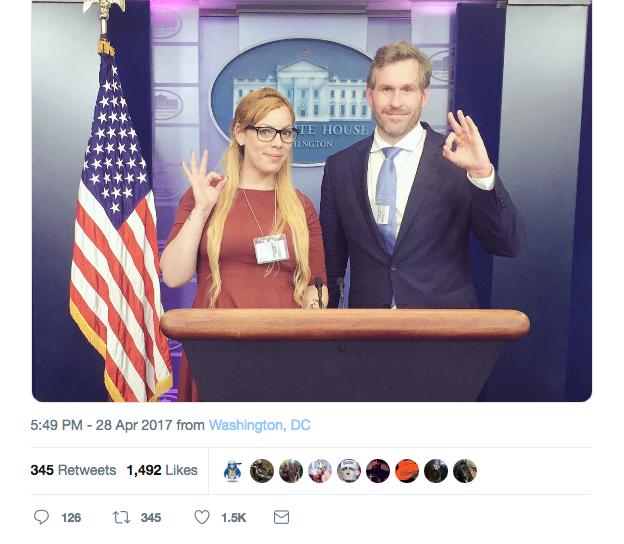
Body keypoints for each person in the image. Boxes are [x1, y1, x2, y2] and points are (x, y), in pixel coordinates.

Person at [320, 41, 525, 310]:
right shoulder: (340, 167)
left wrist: (482, 174)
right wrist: (324, 330)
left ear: (424, 96)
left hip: (443, 333)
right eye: (386, 89)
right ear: (370, 96)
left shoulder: (456, 159)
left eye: (407, 89)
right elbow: (331, 261)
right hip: (366, 333)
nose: (396, 102)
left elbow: (507, 244)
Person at [161, 88, 328, 401]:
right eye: (265, 131)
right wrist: (200, 210)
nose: (278, 142)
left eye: (286, 132)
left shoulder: (301, 206)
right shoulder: (206, 196)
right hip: (216, 345)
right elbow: (173, 276)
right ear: (239, 133)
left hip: (285, 349)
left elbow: (315, 283)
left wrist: (309, 333)